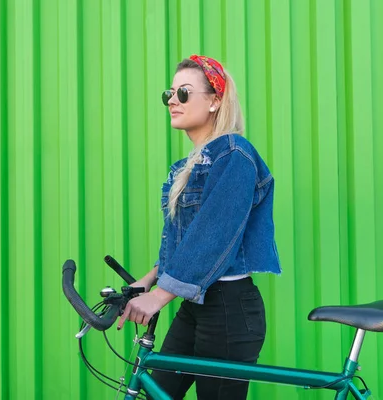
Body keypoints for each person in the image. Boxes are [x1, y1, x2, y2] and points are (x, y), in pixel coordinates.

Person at [117, 55, 281, 399]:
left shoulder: (234, 155)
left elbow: (215, 236)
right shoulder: (185, 167)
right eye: (170, 94)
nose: (173, 101)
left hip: (228, 310)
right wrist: (146, 282)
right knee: (157, 390)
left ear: (215, 101)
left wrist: (160, 297)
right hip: (195, 306)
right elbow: (188, 240)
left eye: (184, 93)